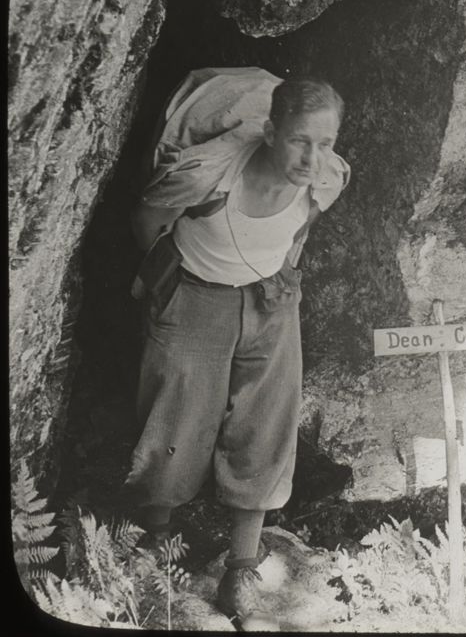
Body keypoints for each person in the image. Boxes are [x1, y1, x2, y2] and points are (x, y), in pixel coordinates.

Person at [123, 73, 349, 624]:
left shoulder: (330, 178)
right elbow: (148, 219)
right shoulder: (207, 175)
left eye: (325, 143)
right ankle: (156, 542)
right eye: (299, 139)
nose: (311, 157)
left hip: (271, 299)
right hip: (196, 293)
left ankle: (241, 567)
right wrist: (164, 284)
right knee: (175, 415)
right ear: (271, 131)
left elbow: (301, 226)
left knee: (268, 418)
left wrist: (283, 271)